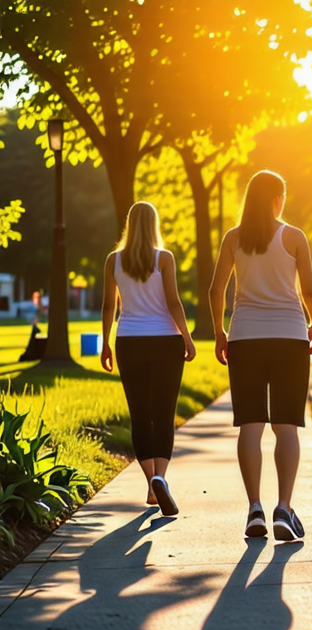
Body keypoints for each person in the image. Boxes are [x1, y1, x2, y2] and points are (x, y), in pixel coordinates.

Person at [209, 170, 312, 541]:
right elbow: (308, 288)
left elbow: (216, 291)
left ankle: (254, 507)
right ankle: (284, 509)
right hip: (289, 337)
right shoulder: (293, 236)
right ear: (277, 198)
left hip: (245, 337)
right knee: (286, 426)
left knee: (251, 425)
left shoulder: (233, 238)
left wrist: (219, 332)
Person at [99, 201, 197, 515]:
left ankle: (150, 484)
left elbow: (107, 308)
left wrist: (106, 345)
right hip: (166, 342)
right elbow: (173, 302)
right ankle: (160, 478)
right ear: (153, 224)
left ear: (129, 224)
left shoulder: (113, 260)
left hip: (129, 340)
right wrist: (188, 337)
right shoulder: (164, 258)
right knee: (163, 413)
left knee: (140, 414)